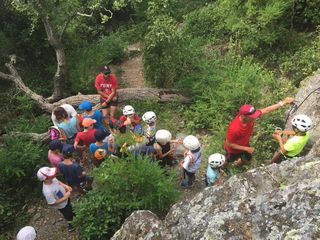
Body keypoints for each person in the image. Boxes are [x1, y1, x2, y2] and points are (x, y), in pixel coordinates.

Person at [224, 97, 294, 167]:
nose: (255, 117)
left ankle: (237, 165)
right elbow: (229, 144)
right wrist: (246, 149)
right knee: (228, 160)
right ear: (244, 116)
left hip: (245, 144)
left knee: (247, 160)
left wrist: (283, 102)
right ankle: (222, 167)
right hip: (233, 150)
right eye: (252, 116)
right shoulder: (234, 128)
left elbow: (266, 110)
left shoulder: (250, 118)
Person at [37, 167, 75, 232]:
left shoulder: (52, 179)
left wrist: (66, 186)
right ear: (46, 178)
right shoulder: (47, 191)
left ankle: (72, 212)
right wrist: (65, 197)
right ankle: (71, 224)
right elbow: (51, 203)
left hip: (66, 198)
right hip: (62, 205)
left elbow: (59, 182)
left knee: (69, 207)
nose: (54, 175)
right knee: (67, 214)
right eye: (51, 174)